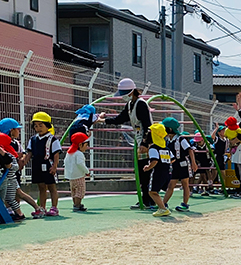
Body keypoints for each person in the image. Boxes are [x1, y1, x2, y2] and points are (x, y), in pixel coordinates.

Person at [100, 78, 153, 210]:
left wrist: (145, 144)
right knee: (141, 171)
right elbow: (120, 119)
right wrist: (103, 120)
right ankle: (146, 199)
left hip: (146, 141)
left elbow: (148, 125)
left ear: (131, 92)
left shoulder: (140, 104)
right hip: (139, 139)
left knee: (145, 171)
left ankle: (148, 199)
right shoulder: (130, 105)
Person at [26, 113, 62, 217]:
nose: (38, 128)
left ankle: (54, 207)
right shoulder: (33, 139)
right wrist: (23, 162)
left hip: (48, 164)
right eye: (36, 126)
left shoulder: (53, 139)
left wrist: (55, 166)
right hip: (36, 165)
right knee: (41, 187)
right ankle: (42, 208)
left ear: (48, 126)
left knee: (52, 187)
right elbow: (29, 153)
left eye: (41, 125)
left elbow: (56, 154)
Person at [162, 117, 197, 211]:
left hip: (183, 164)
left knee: (185, 183)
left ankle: (185, 204)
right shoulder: (168, 140)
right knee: (171, 184)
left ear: (169, 129)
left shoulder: (180, 139)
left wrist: (193, 163)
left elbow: (189, 150)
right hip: (174, 164)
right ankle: (163, 204)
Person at [144, 123, 172, 216]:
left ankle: (163, 208)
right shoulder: (166, 148)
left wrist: (148, 167)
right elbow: (173, 159)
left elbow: (154, 161)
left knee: (152, 191)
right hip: (166, 172)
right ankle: (162, 207)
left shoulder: (153, 148)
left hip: (157, 172)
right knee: (155, 191)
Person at [63, 126, 91, 212]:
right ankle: (77, 205)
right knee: (80, 191)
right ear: (80, 145)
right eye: (85, 145)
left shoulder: (69, 152)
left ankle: (75, 204)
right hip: (79, 176)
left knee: (74, 191)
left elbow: (65, 162)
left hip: (71, 176)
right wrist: (87, 171)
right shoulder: (79, 154)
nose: (86, 147)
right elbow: (80, 164)